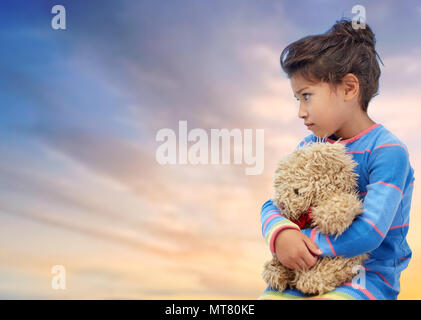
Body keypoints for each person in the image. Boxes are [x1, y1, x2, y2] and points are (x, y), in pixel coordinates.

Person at [259, 18, 415, 300]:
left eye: (307, 96)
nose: (301, 112)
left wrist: (304, 242)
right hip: (305, 272)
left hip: (367, 278)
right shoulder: (310, 146)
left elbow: (370, 231)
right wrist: (281, 234)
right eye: (297, 99)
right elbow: (275, 203)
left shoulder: (388, 151)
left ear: (348, 88)